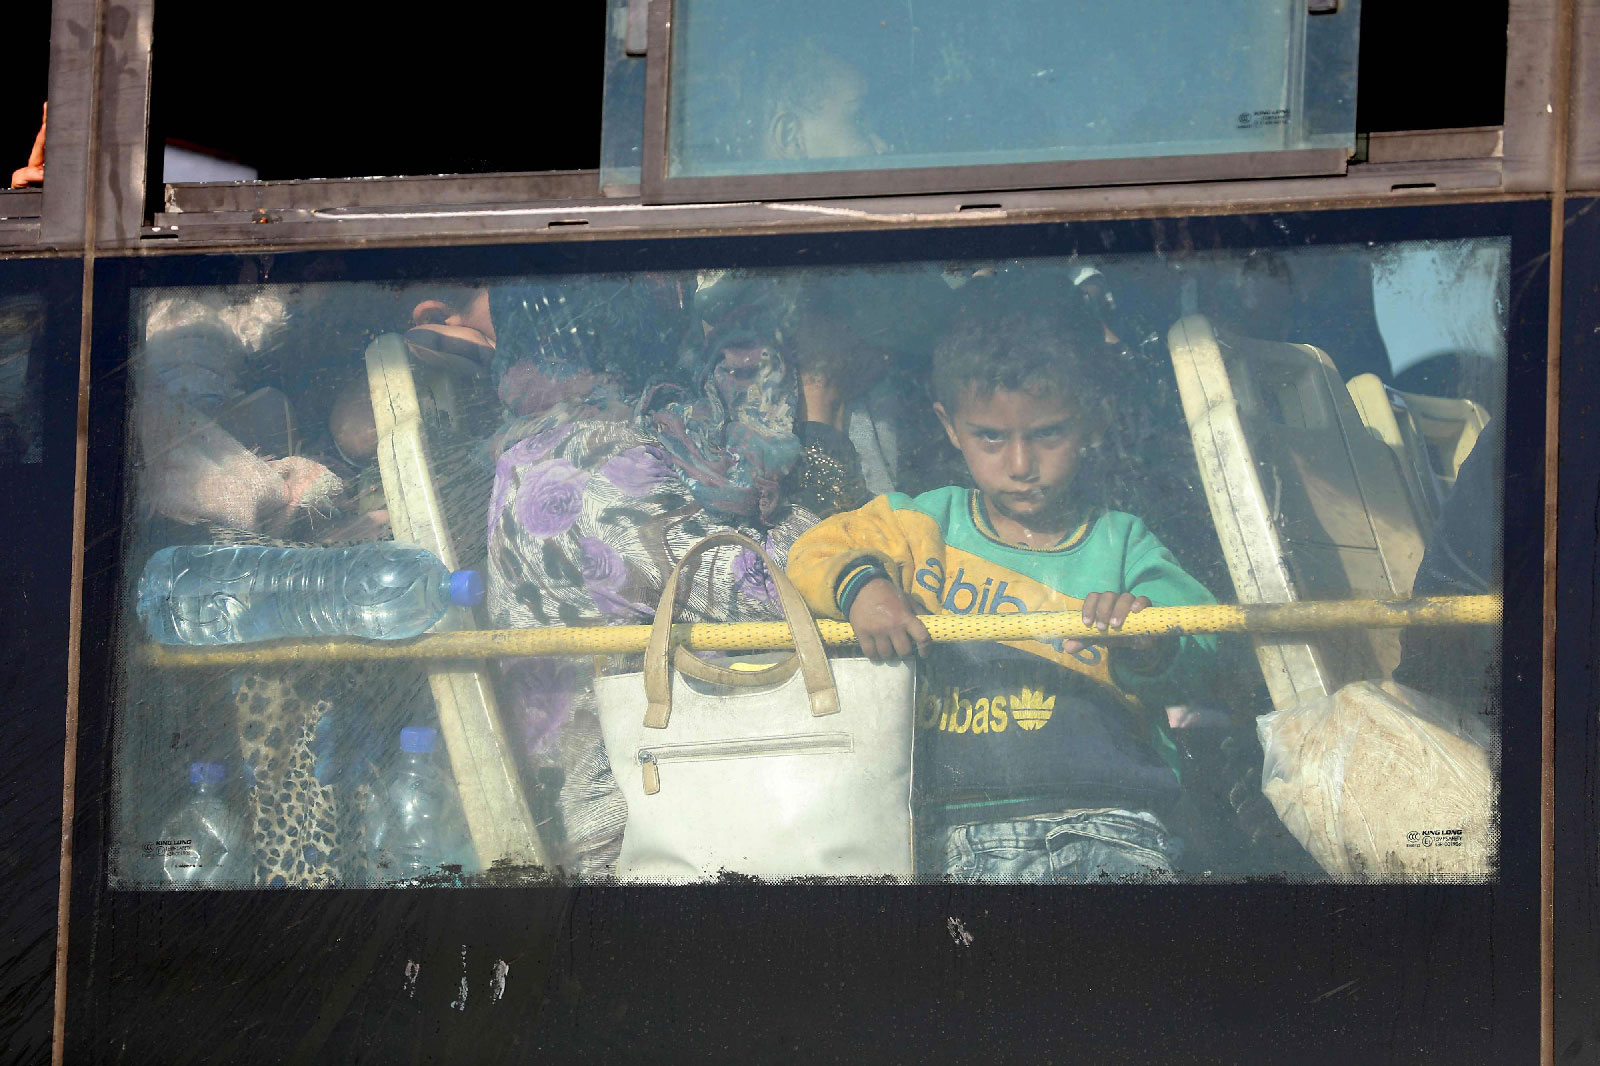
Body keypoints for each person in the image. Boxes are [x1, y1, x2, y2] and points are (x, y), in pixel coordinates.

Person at [785, 307, 1218, 883]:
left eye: (1047, 434)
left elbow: (1205, 641)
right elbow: (811, 550)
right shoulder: (920, 525)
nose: (1020, 465)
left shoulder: (1124, 542)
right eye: (991, 436)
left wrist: (1148, 641)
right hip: (944, 828)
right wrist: (865, 588)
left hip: (1112, 821)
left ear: (1092, 423)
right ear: (949, 426)